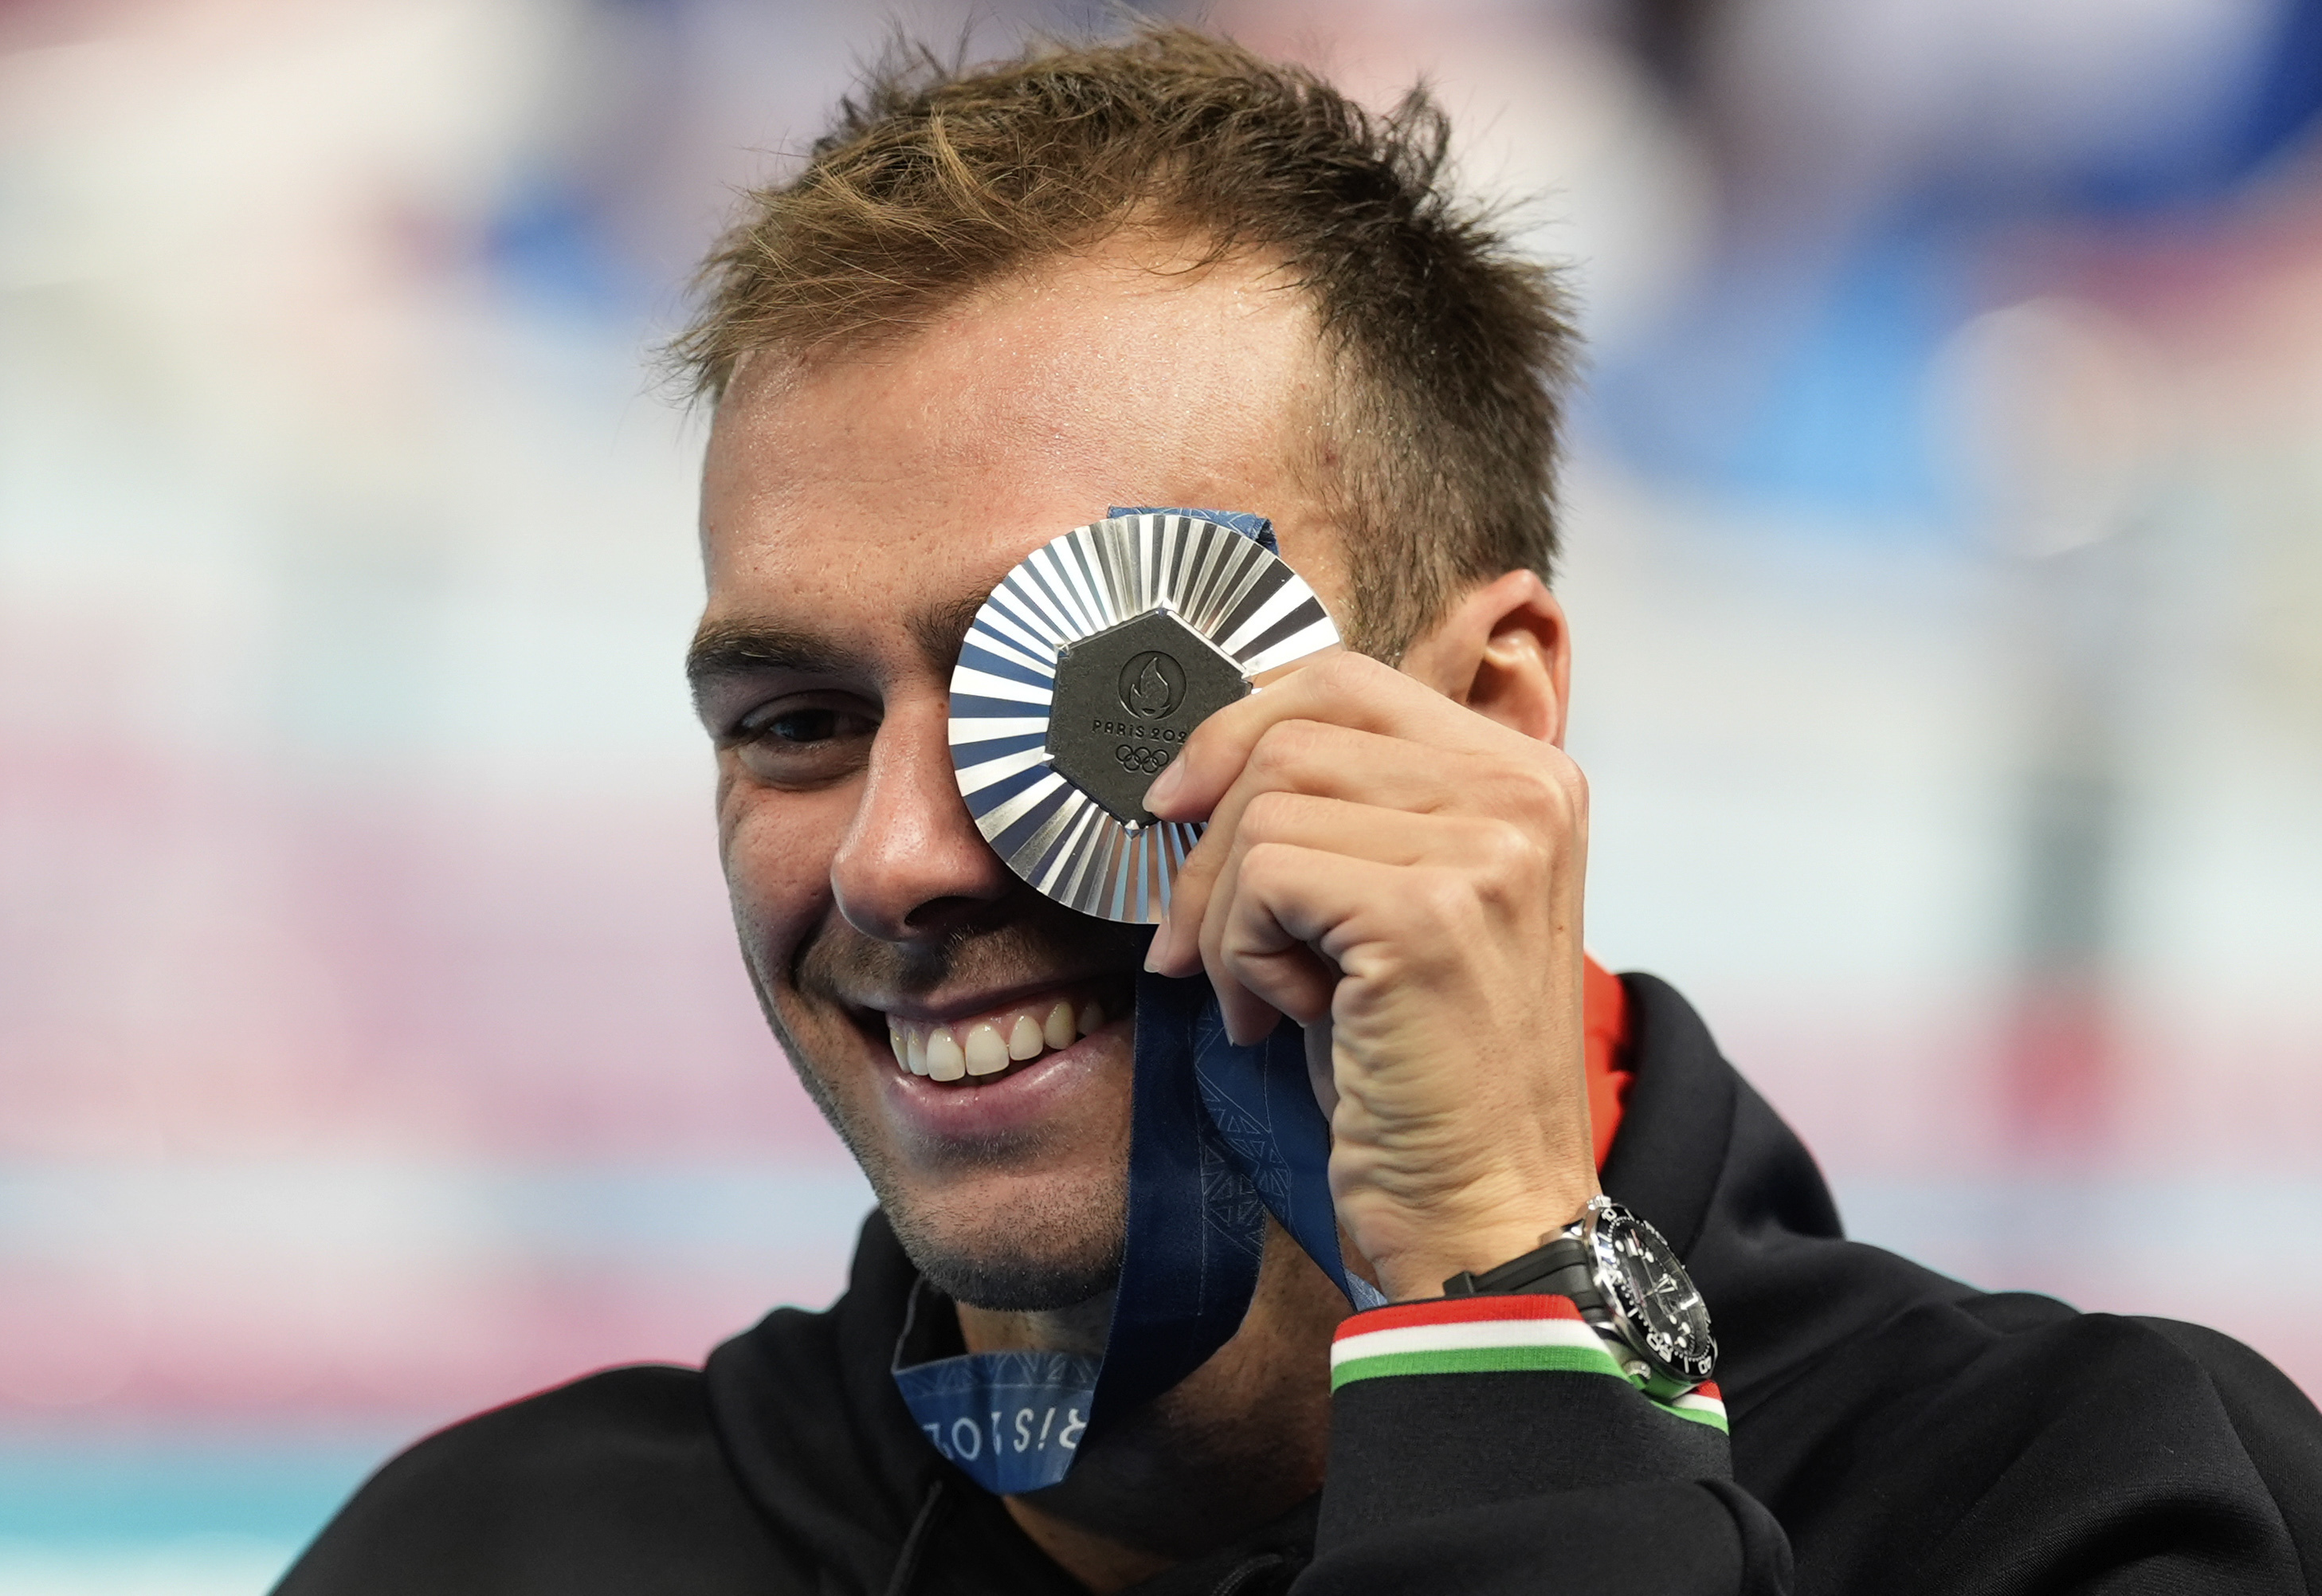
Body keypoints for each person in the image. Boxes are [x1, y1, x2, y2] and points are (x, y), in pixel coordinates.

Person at [275, 25, 2322, 1596]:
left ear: (1489, 708)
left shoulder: (2096, 1509)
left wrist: (1498, 1329)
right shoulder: (500, 1556)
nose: (897, 856)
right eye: (798, 721)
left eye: (1065, 694)